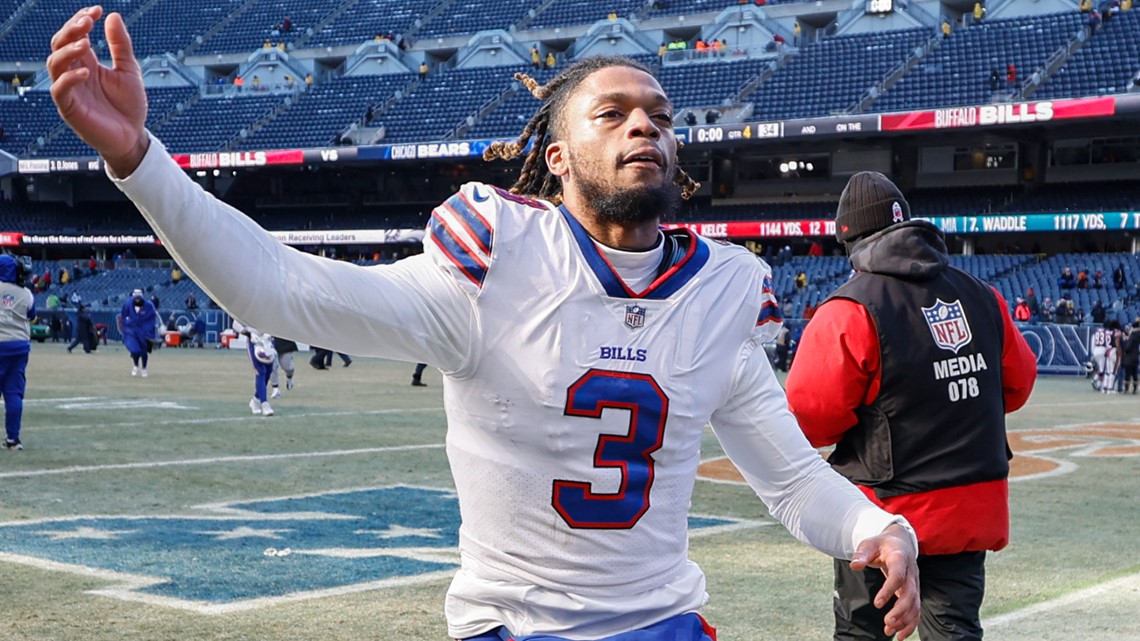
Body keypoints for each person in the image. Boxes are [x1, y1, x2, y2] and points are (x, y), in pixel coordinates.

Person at [48, 16, 922, 639]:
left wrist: (876, 529)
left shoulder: (722, 289)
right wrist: (140, 161)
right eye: (611, 113)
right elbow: (284, 290)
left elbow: (796, 483)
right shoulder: (495, 259)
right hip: (514, 626)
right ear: (556, 155)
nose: (645, 124)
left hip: (663, 622)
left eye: (658, 113)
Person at [785, 171, 1038, 641]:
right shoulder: (982, 295)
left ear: (849, 239)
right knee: (955, 631)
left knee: (865, 632)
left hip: (882, 509)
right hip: (970, 506)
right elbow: (1018, 386)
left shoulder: (850, 308)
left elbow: (809, 419)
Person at [0, 255, 34, 450]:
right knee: (14, 394)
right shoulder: (26, 294)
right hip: (18, 346)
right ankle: (13, 439)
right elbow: (32, 314)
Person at [236, 321, 275, 416]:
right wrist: (249, 334)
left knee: (268, 371)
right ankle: (264, 404)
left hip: (268, 341)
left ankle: (256, 399)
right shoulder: (247, 307)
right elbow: (236, 323)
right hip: (254, 341)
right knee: (260, 371)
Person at [120, 288, 158, 377]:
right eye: (135, 298)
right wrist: (128, 322)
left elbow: (152, 319)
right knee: (134, 350)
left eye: (139, 298)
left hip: (144, 332)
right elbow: (123, 316)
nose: (137, 300)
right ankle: (135, 365)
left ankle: (144, 368)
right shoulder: (128, 304)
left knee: (144, 352)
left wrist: (149, 332)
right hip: (132, 332)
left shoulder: (149, 305)